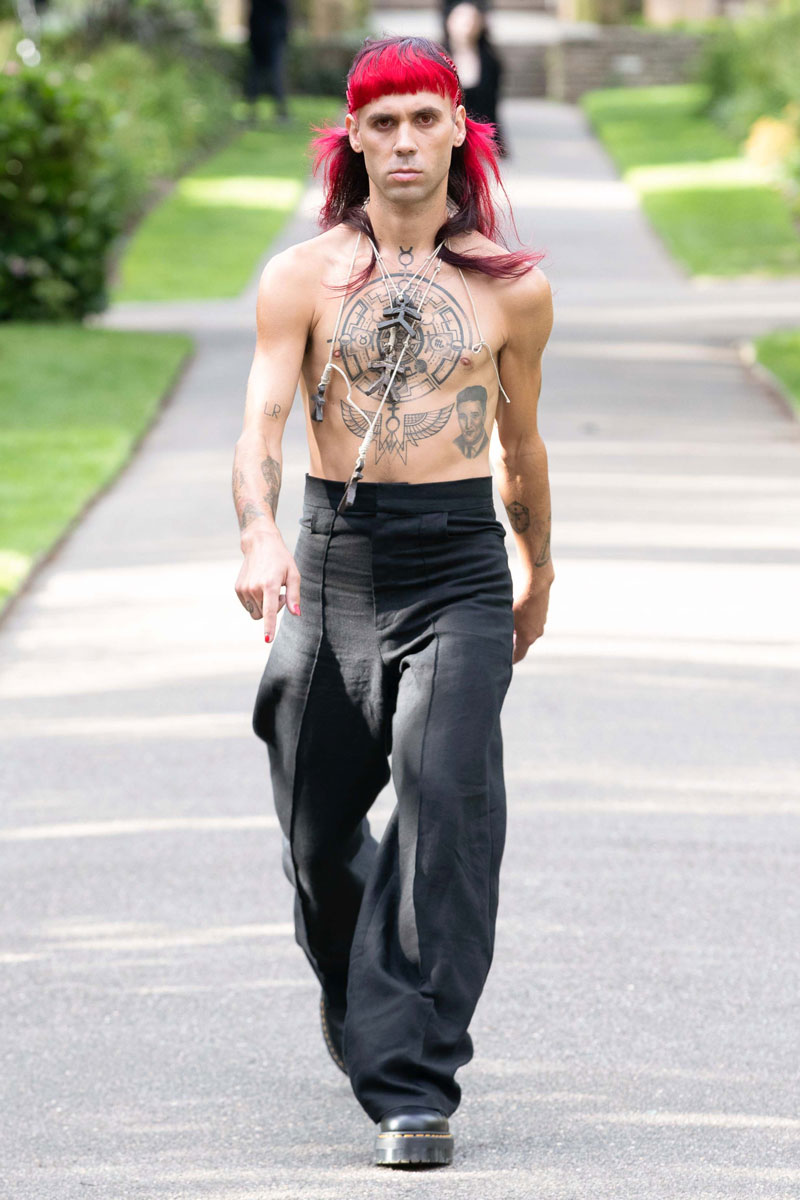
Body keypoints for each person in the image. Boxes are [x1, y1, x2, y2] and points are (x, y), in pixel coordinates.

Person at [232, 34, 554, 1168]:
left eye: (426, 117)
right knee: (317, 842)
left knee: (444, 810)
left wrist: (540, 571)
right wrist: (259, 531)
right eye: (384, 122)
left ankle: (413, 1083)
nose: (406, 141)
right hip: (332, 565)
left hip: (458, 567)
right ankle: (365, 991)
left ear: (459, 128)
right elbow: (262, 420)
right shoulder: (300, 277)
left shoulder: (510, 289)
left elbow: (521, 445)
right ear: (353, 136)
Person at [443, 1, 508, 156]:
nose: (467, 25)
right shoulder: (438, 60)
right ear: (449, 21)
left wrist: (495, 141)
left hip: (480, 142)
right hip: (446, 141)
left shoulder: (490, 62)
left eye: (471, 19)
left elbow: (492, 107)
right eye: (460, 18)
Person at [244, 0, 290, 122]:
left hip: (265, 37)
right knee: (269, 74)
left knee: (269, 74)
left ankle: (279, 111)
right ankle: (279, 111)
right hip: (267, 37)